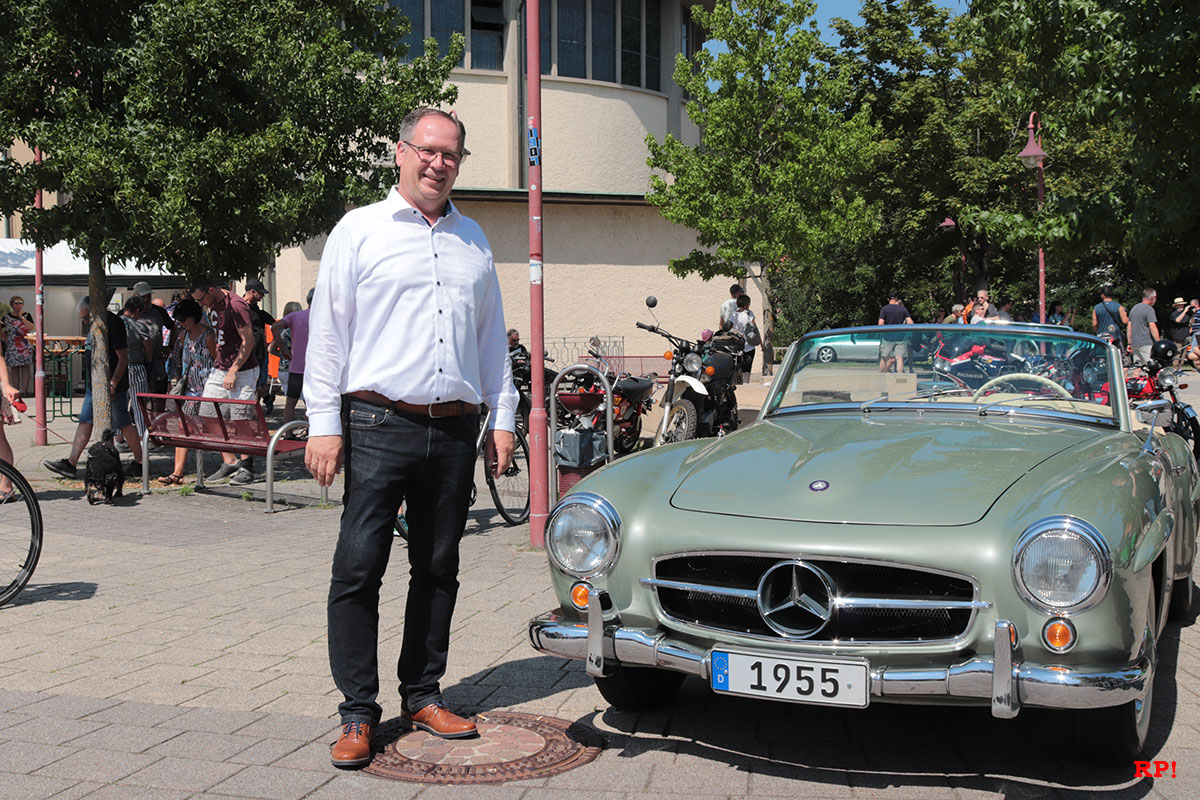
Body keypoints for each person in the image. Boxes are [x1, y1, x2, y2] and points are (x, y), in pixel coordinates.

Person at [305, 107, 518, 768]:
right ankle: (357, 712)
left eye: (451, 154)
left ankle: (422, 694)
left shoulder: (473, 240)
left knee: (437, 565)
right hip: (377, 423)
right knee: (358, 566)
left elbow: (491, 338)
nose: (438, 163)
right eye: (427, 150)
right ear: (400, 153)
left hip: (454, 428)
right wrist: (323, 424)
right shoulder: (359, 230)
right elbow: (328, 334)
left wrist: (503, 416)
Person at [43, 296, 144, 480]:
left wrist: (113, 382)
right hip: (95, 384)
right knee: (85, 420)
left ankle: (140, 462)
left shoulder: (113, 323)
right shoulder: (94, 324)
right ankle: (71, 463)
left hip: (113, 384)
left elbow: (123, 358)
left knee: (122, 422)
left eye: (85, 317)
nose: (84, 322)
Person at [190, 274, 259, 486]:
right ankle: (230, 461)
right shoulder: (213, 305)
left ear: (211, 290)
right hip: (220, 367)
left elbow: (248, 340)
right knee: (208, 412)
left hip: (242, 368)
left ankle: (247, 466)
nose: (200, 304)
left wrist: (234, 369)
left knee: (240, 417)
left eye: (201, 299)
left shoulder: (236, 305)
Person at [157, 298, 217, 485]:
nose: (180, 323)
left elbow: (218, 361)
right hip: (190, 391)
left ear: (193, 317)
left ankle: (231, 462)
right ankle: (177, 472)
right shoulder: (183, 336)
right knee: (183, 428)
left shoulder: (209, 336)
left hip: (208, 391)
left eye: (183, 319)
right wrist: (176, 380)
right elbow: (177, 360)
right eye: (178, 320)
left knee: (214, 429)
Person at [269, 289, 313, 430]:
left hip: (296, 366)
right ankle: (312, 431)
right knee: (313, 404)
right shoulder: (324, 316)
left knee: (290, 404)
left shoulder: (295, 316)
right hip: (316, 368)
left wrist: (283, 350)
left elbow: (274, 327)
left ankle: (288, 432)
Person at [121, 295, 158, 441]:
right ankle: (143, 438)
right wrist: (149, 363)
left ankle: (118, 438)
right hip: (136, 367)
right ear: (137, 311)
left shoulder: (116, 323)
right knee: (139, 406)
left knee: (120, 405)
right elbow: (148, 346)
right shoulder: (139, 326)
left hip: (119, 368)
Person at [243, 278, 276, 414]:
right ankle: (266, 398)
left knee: (255, 384)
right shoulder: (240, 308)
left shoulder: (257, 311)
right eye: (261, 293)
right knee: (252, 384)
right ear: (252, 292)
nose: (263, 296)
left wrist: (273, 343)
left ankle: (255, 411)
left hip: (259, 353)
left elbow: (276, 324)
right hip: (244, 352)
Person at [2, 296, 34, 396]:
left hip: (25, 344)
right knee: (14, 369)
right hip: (12, 345)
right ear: (12, 304)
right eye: (16, 302)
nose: (19, 304)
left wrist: (21, 317)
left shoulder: (27, 315)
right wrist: (3, 337)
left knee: (25, 368)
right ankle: (16, 390)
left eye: (21, 302)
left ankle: (25, 391)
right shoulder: (6, 317)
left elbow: (30, 327)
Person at [877, 293, 914, 372]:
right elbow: (910, 322)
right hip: (900, 337)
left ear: (888, 299)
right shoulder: (903, 309)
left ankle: (880, 375)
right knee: (899, 358)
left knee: (884, 357)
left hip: (887, 337)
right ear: (896, 299)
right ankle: (899, 376)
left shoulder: (884, 309)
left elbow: (880, 323)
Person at [1128, 288, 1160, 367]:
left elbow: (1129, 327)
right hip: (1146, 343)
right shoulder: (1149, 309)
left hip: (1135, 343)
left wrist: (1129, 343)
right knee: (1151, 366)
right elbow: (1152, 327)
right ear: (1152, 298)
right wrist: (1158, 342)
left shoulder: (1134, 308)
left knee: (1137, 367)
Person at [730, 293, 756, 383]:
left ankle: (738, 384)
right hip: (749, 346)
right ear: (746, 305)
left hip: (736, 346)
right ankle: (746, 385)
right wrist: (760, 342)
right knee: (747, 369)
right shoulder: (750, 314)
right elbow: (754, 328)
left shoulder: (733, 315)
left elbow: (730, 329)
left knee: (737, 368)